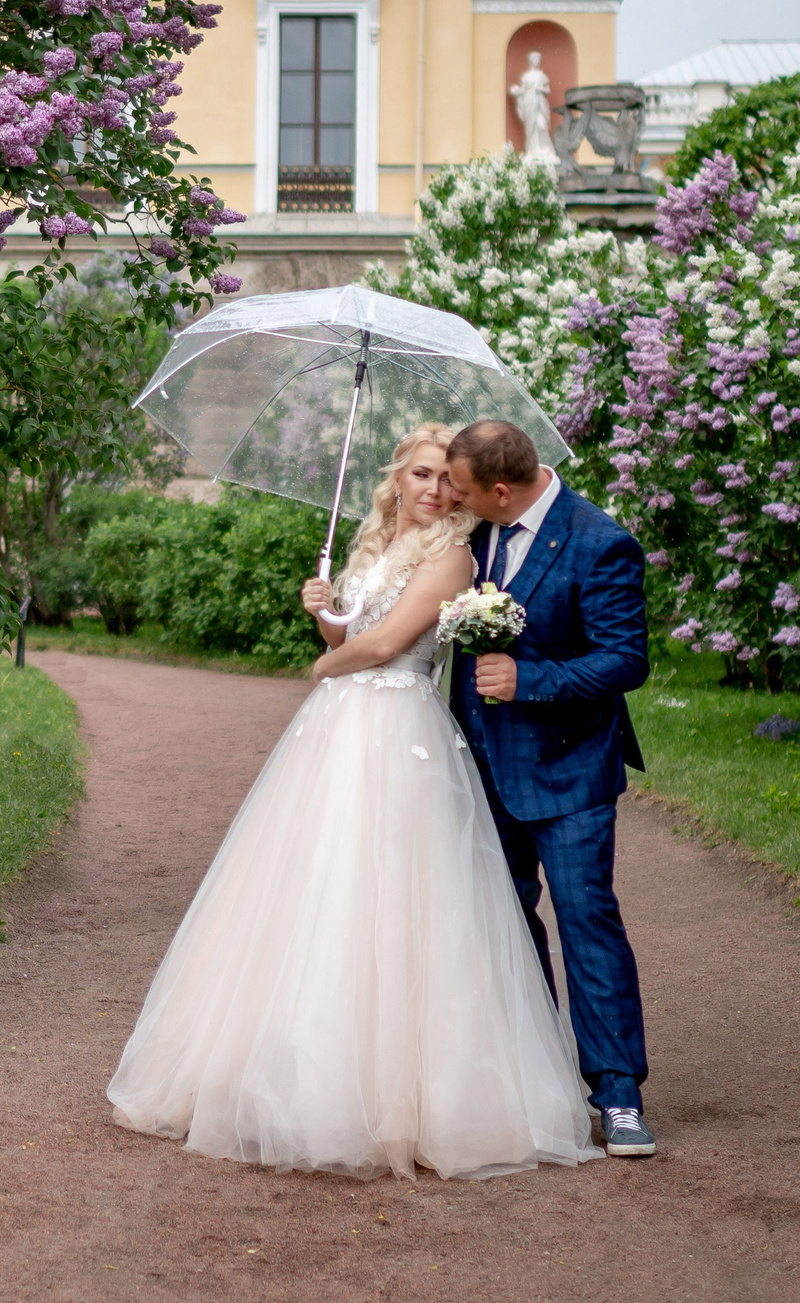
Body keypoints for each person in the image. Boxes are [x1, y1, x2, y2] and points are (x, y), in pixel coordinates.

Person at [106, 423, 602, 1181]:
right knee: (315, 882)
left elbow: (383, 646)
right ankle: (289, 1070)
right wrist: (324, 610)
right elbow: (351, 634)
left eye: (447, 479)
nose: (435, 489)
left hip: (399, 726)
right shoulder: (373, 546)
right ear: (396, 477)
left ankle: (400, 1092)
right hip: (338, 728)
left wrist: (323, 663)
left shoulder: (453, 556)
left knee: (392, 888)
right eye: (421, 474)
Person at [444, 418, 657, 1158]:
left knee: (585, 921)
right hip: (482, 766)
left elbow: (626, 659)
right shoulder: (474, 536)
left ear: (502, 489)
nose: (454, 500)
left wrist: (528, 679)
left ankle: (619, 1095)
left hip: (570, 770)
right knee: (507, 924)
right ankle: (540, 1079)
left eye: (464, 490)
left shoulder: (601, 541)